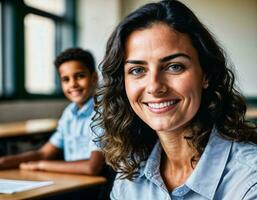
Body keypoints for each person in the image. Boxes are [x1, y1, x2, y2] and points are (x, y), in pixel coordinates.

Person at [92, 0, 257, 199]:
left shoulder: (249, 179)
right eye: (137, 70)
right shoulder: (130, 174)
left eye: (174, 66)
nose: (154, 86)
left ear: (206, 74)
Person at [0, 48, 105, 175]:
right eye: (66, 79)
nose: (73, 84)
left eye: (80, 76)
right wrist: (4, 162)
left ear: (94, 78)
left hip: (97, 187)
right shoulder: (69, 113)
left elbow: (92, 167)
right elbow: (43, 153)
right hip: (74, 180)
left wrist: (41, 165)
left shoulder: (102, 111)